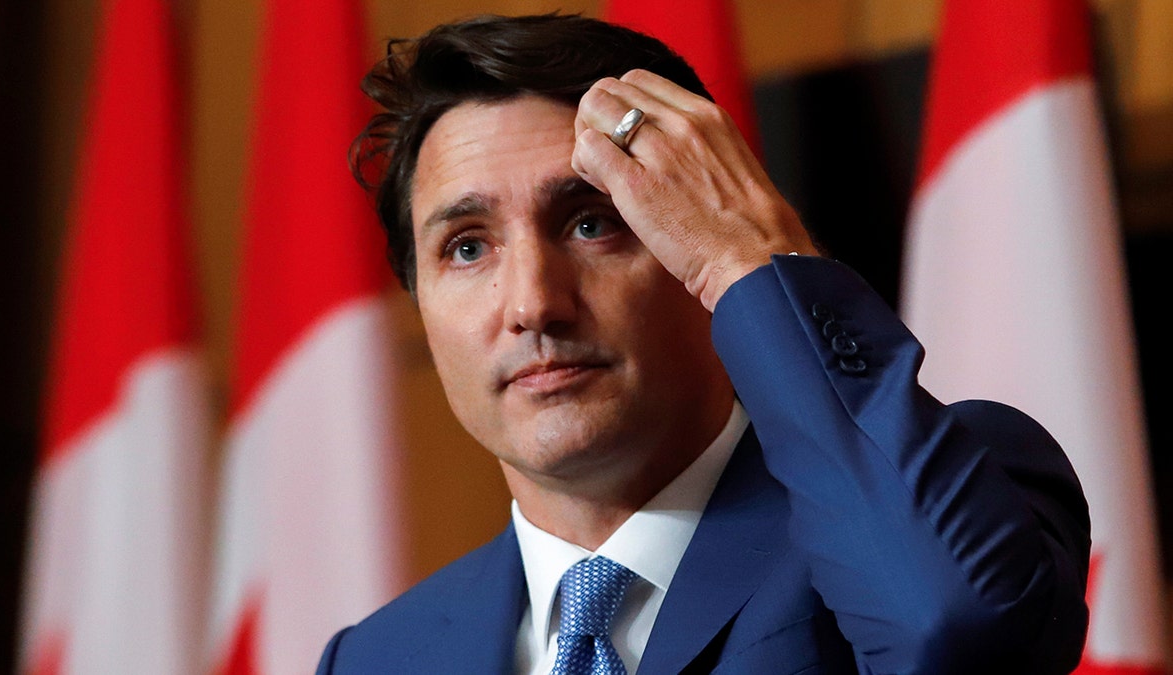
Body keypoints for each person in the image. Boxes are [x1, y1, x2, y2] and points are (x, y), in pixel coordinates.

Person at [316, 13, 1090, 675]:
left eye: (593, 223)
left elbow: (954, 631)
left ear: (695, 239)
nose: (532, 304)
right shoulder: (377, 656)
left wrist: (750, 261)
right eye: (466, 248)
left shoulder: (944, 496)